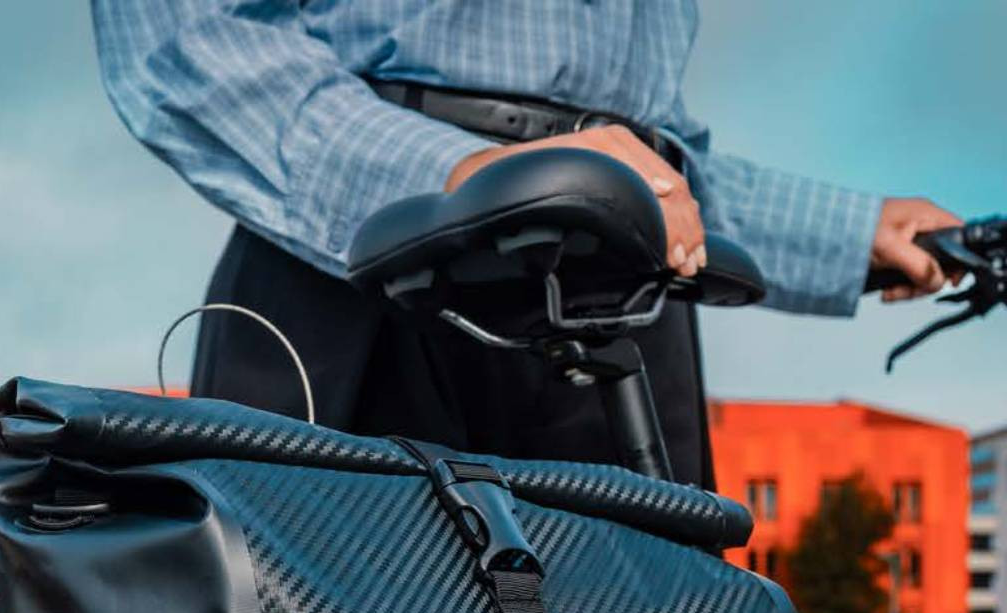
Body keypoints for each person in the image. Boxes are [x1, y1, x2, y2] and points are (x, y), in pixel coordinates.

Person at [91, 1, 959, 486]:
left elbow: (653, 157)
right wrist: (460, 174)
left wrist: (855, 231)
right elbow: (179, 37)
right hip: (362, 272)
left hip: (619, 301)